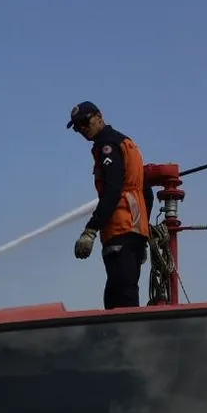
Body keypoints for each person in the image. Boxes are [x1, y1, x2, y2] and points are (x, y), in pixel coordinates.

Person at [66, 101, 150, 309]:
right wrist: (143, 233)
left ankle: (130, 338)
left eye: (85, 122)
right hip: (134, 230)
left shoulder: (108, 146)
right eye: (77, 127)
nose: (83, 129)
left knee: (119, 298)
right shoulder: (125, 142)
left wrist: (91, 229)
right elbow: (147, 192)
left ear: (99, 116)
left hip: (120, 228)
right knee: (121, 290)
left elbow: (112, 191)